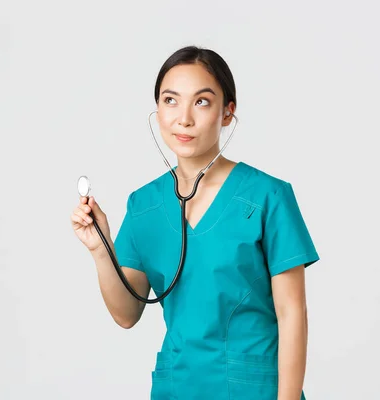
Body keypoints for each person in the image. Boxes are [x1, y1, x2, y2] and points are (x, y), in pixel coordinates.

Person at [71, 46, 320, 400]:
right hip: (178, 387)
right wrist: (101, 249)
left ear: (227, 113)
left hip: (254, 390)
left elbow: (292, 312)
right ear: (157, 110)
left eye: (201, 102)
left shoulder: (268, 196)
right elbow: (127, 314)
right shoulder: (143, 205)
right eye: (170, 101)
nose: (183, 118)